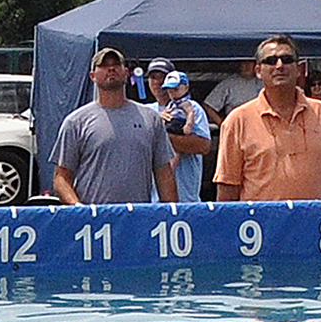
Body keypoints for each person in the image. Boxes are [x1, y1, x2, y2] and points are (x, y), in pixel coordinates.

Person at [214, 34, 321, 200]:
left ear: (298, 69)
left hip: (314, 216)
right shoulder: (237, 121)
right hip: (262, 217)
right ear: (258, 71)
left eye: (287, 60)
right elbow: (228, 188)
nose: (279, 66)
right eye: (271, 61)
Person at [50, 47, 179, 205]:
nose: (111, 69)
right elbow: (61, 178)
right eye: (103, 66)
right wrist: (79, 208)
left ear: (126, 72)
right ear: (92, 76)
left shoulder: (151, 119)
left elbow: (164, 173)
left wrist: (171, 213)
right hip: (94, 217)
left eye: (116, 64)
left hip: (137, 216)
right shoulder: (75, 122)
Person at [155, 69, 212, 202]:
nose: (172, 93)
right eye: (169, 90)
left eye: (175, 89)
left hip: (186, 198)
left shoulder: (192, 105)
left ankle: (169, 169)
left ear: (186, 88)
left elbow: (204, 146)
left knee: (175, 155)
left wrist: (188, 125)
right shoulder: (163, 107)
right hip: (156, 200)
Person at [203, 59, 263, 126]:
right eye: (244, 62)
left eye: (250, 62)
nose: (247, 65)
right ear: (239, 65)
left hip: (259, 124)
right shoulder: (229, 83)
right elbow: (209, 106)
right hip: (237, 125)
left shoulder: (264, 83)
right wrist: (223, 125)